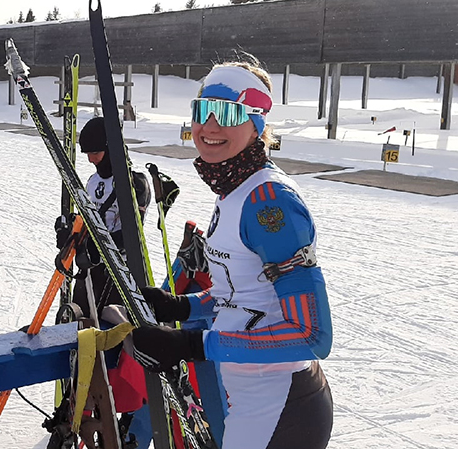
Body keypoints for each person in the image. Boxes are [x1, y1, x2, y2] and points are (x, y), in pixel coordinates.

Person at [129, 57, 334, 449]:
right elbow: (240, 294)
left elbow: (313, 335)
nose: (208, 126)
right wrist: (181, 307)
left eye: (226, 112)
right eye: (202, 110)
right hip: (253, 399)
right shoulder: (233, 190)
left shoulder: (268, 202)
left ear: (257, 122)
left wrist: (193, 345)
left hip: (282, 406)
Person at [53, 116, 153, 448]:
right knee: (79, 329)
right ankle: (76, 404)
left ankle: (120, 410)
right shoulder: (94, 180)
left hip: (119, 274)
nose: (92, 159)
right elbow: (86, 216)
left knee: (111, 338)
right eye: (87, 153)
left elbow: (132, 232)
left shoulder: (133, 181)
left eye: (96, 152)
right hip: (91, 271)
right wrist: (70, 229)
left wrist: (102, 244)